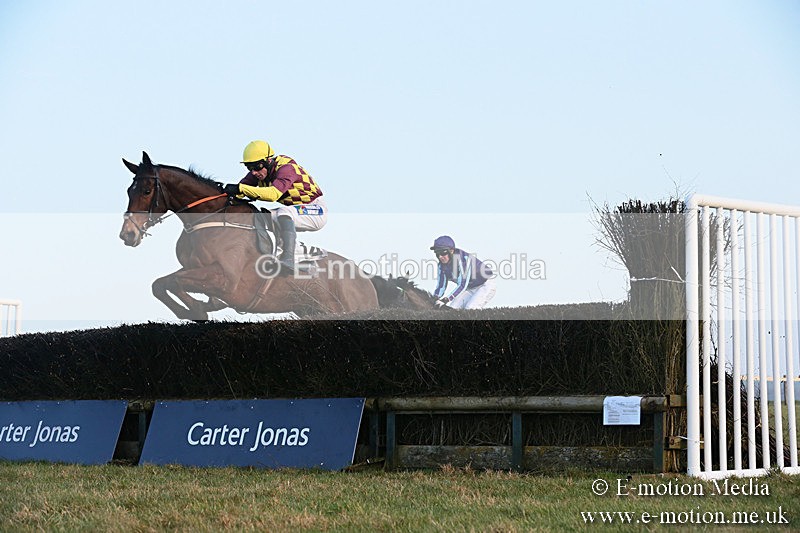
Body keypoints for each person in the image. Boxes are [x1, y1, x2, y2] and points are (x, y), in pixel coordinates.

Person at [223, 140, 327, 273]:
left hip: (316, 210)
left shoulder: (287, 168)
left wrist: (241, 189)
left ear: (268, 160)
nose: (254, 172)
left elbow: (273, 194)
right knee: (264, 216)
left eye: (257, 166)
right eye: (249, 168)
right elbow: (240, 191)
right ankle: (292, 251)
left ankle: (288, 258)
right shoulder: (259, 173)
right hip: (296, 210)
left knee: (284, 213)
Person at [430, 235, 496, 309]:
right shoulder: (441, 266)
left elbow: (462, 284)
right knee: (452, 308)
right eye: (437, 253)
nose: (440, 257)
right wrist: (434, 298)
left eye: (443, 253)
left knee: (471, 308)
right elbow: (441, 285)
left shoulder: (463, 260)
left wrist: (446, 299)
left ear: (451, 251)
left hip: (485, 285)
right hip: (469, 288)